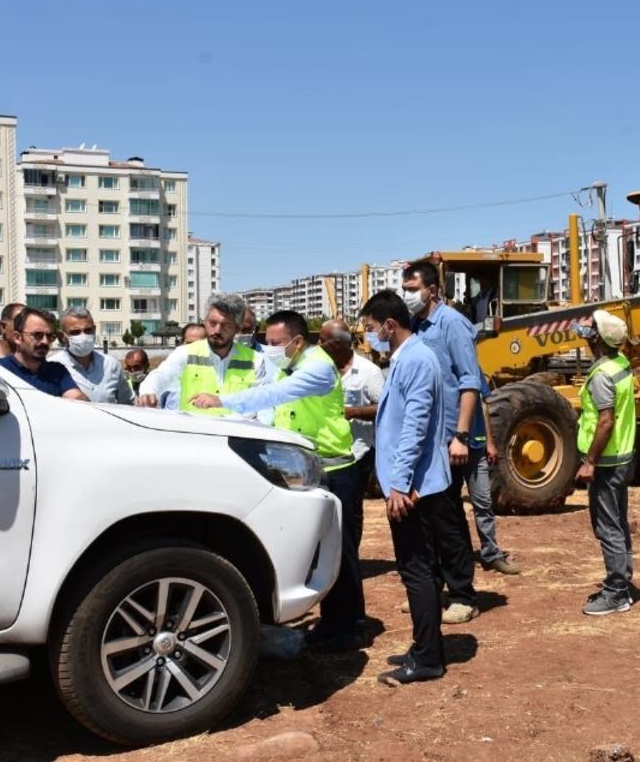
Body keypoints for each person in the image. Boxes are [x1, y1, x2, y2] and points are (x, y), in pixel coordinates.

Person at [191, 310, 365, 652]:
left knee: (341, 553)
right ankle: (332, 623)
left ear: (297, 341)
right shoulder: (292, 364)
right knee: (320, 554)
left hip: (336, 470)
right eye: (267, 342)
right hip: (310, 471)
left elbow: (275, 395)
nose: (268, 348)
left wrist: (221, 401)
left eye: (275, 343)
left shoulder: (315, 367)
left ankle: (351, 626)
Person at [361, 290, 451, 685]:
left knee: (417, 571)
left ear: (389, 325)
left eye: (370, 329)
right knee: (421, 571)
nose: (369, 337)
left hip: (414, 487)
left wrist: (399, 484)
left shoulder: (416, 359)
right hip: (415, 483)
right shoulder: (408, 359)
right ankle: (424, 646)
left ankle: (428, 657)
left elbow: (414, 426)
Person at [402, 261, 480, 624]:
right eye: (404, 288)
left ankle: (463, 594)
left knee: (447, 519)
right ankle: (431, 591)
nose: (408, 295)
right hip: (424, 441)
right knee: (425, 520)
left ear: (432, 289)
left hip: (449, 440)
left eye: (413, 287)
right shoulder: (416, 327)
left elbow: (469, 382)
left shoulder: (453, 325)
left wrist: (461, 437)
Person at [574, 309, 637, 616]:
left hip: (608, 462)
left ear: (598, 339)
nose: (586, 333)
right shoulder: (621, 364)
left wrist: (589, 461)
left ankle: (616, 593)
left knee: (607, 526)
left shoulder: (601, 376)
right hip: (624, 456)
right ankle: (623, 579)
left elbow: (605, 422)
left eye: (591, 330)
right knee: (619, 523)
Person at [137, 293, 263, 414]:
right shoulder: (185, 353)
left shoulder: (255, 360)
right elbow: (162, 374)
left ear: (238, 328)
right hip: (196, 433)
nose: (217, 330)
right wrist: (149, 391)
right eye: (212, 323)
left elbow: (260, 401)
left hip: (236, 433)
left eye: (225, 325)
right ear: (205, 321)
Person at [320, 319, 383, 497]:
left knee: (351, 511)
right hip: (327, 455)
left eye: (322, 340)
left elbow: (385, 409)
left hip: (359, 454)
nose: (318, 344)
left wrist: (353, 412)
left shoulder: (369, 372)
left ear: (337, 344)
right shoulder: (319, 369)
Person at [466, 378, 520, 574]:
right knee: (450, 508)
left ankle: (491, 553)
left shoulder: (473, 369)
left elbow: (482, 405)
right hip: (450, 449)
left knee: (483, 501)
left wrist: (489, 442)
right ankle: (460, 554)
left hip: (476, 447)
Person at [0, 307, 87, 400]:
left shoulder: (57, 371)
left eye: (49, 336)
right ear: (17, 338)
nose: (45, 341)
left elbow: (77, 398)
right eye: (37, 335)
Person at [52, 307, 134, 404]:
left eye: (88, 331)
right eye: (75, 332)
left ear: (94, 330)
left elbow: (128, 403)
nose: (83, 336)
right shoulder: (52, 367)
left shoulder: (111, 365)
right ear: (62, 336)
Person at [160, 323, 209, 409]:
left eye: (199, 344)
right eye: (189, 343)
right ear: (182, 342)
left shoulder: (218, 377)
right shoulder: (167, 375)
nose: (194, 348)